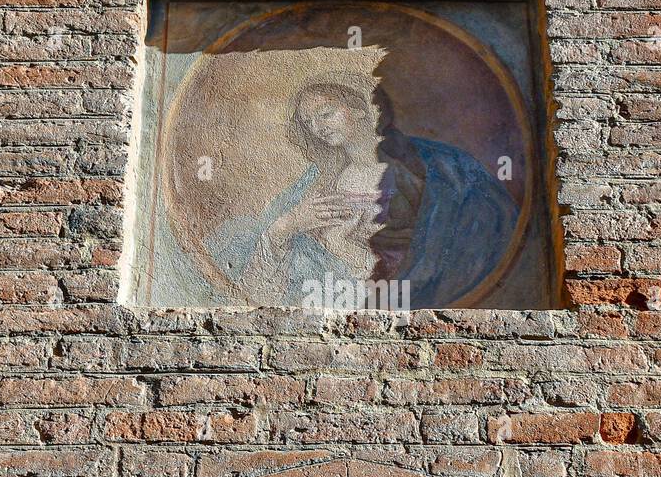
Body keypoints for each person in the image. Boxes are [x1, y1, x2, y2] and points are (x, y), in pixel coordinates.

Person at [207, 79, 518, 307]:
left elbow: (444, 228)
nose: (318, 127)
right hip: (344, 290)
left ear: (356, 109)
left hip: (407, 286)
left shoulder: (422, 163)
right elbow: (284, 245)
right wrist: (289, 226)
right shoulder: (319, 180)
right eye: (309, 122)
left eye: (325, 113)